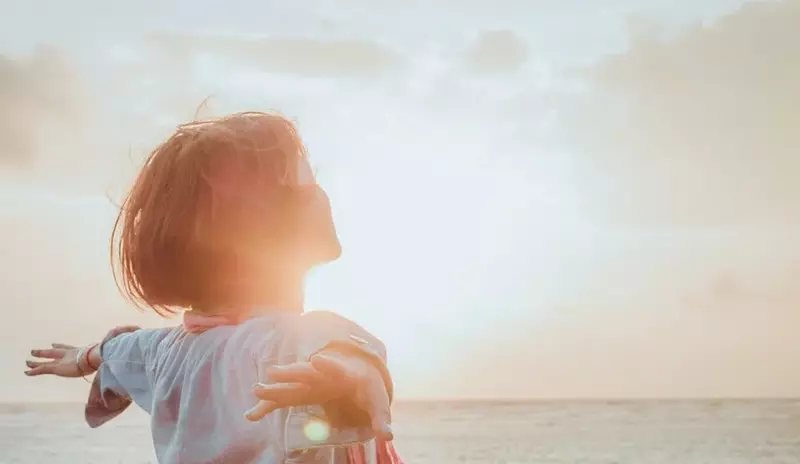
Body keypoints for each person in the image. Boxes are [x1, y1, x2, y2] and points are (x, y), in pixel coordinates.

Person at [24, 112, 403, 463]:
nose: (320, 192)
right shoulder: (282, 345)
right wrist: (350, 370)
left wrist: (86, 356)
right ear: (258, 228)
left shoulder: (165, 352)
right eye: (305, 182)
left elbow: (121, 351)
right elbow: (330, 342)